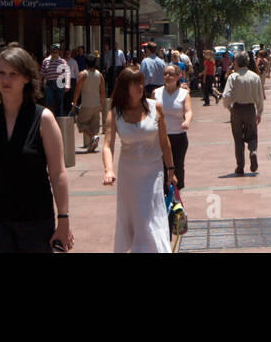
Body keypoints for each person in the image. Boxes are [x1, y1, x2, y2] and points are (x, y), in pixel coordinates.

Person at [0, 47, 74, 253]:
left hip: (35, 220)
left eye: (13, 74)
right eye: (1, 73)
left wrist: (63, 218)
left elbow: (58, 173)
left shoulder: (43, 119)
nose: (5, 80)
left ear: (27, 78)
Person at [101, 65, 174, 253]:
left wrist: (171, 169)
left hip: (153, 173)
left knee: (149, 217)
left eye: (141, 83)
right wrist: (109, 170)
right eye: (135, 84)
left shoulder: (155, 107)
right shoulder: (114, 114)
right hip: (129, 176)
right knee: (136, 218)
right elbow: (107, 145)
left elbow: (164, 142)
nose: (140, 87)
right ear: (124, 88)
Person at [222, 51, 263, 175]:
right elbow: (259, 97)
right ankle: (253, 151)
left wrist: (229, 107)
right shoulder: (255, 77)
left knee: (238, 138)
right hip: (250, 109)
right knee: (252, 134)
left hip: (237, 109)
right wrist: (259, 112)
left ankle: (240, 166)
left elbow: (226, 95)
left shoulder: (233, 77)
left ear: (236, 62)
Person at [153, 64, 192, 191]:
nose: (167, 76)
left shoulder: (184, 93)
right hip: (161, 137)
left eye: (170, 74)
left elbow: (188, 111)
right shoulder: (156, 93)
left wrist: (187, 121)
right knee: (162, 166)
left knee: (177, 166)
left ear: (178, 76)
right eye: (165, 74)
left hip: (178, 136)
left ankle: (176, 194)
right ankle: (163, 194)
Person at [72, 57, 107, 152]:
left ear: (86, 63)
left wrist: (74, 102)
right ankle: (93, 142)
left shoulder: (83, 74)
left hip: (86, 104)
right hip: (96, 104)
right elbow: (103, 91)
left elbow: (77, 90)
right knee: (94, 126)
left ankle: (93, 137)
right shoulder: (99, 75)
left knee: (81, 123)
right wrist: (102, 104)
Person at [41, 45, 68, 116]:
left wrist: (67, 85)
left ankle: (59, 119)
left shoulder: (62, 61)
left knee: (59, 103)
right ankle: (50, 118)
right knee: (49, 103)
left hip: (60, 83)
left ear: (58, 52)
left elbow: (67, 73)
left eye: (56, 51)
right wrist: (39, 83)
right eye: (53, 51)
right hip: (49, 84)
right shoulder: (45, 61)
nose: (54, 53)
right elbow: (42, 73)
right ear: (50, 52)